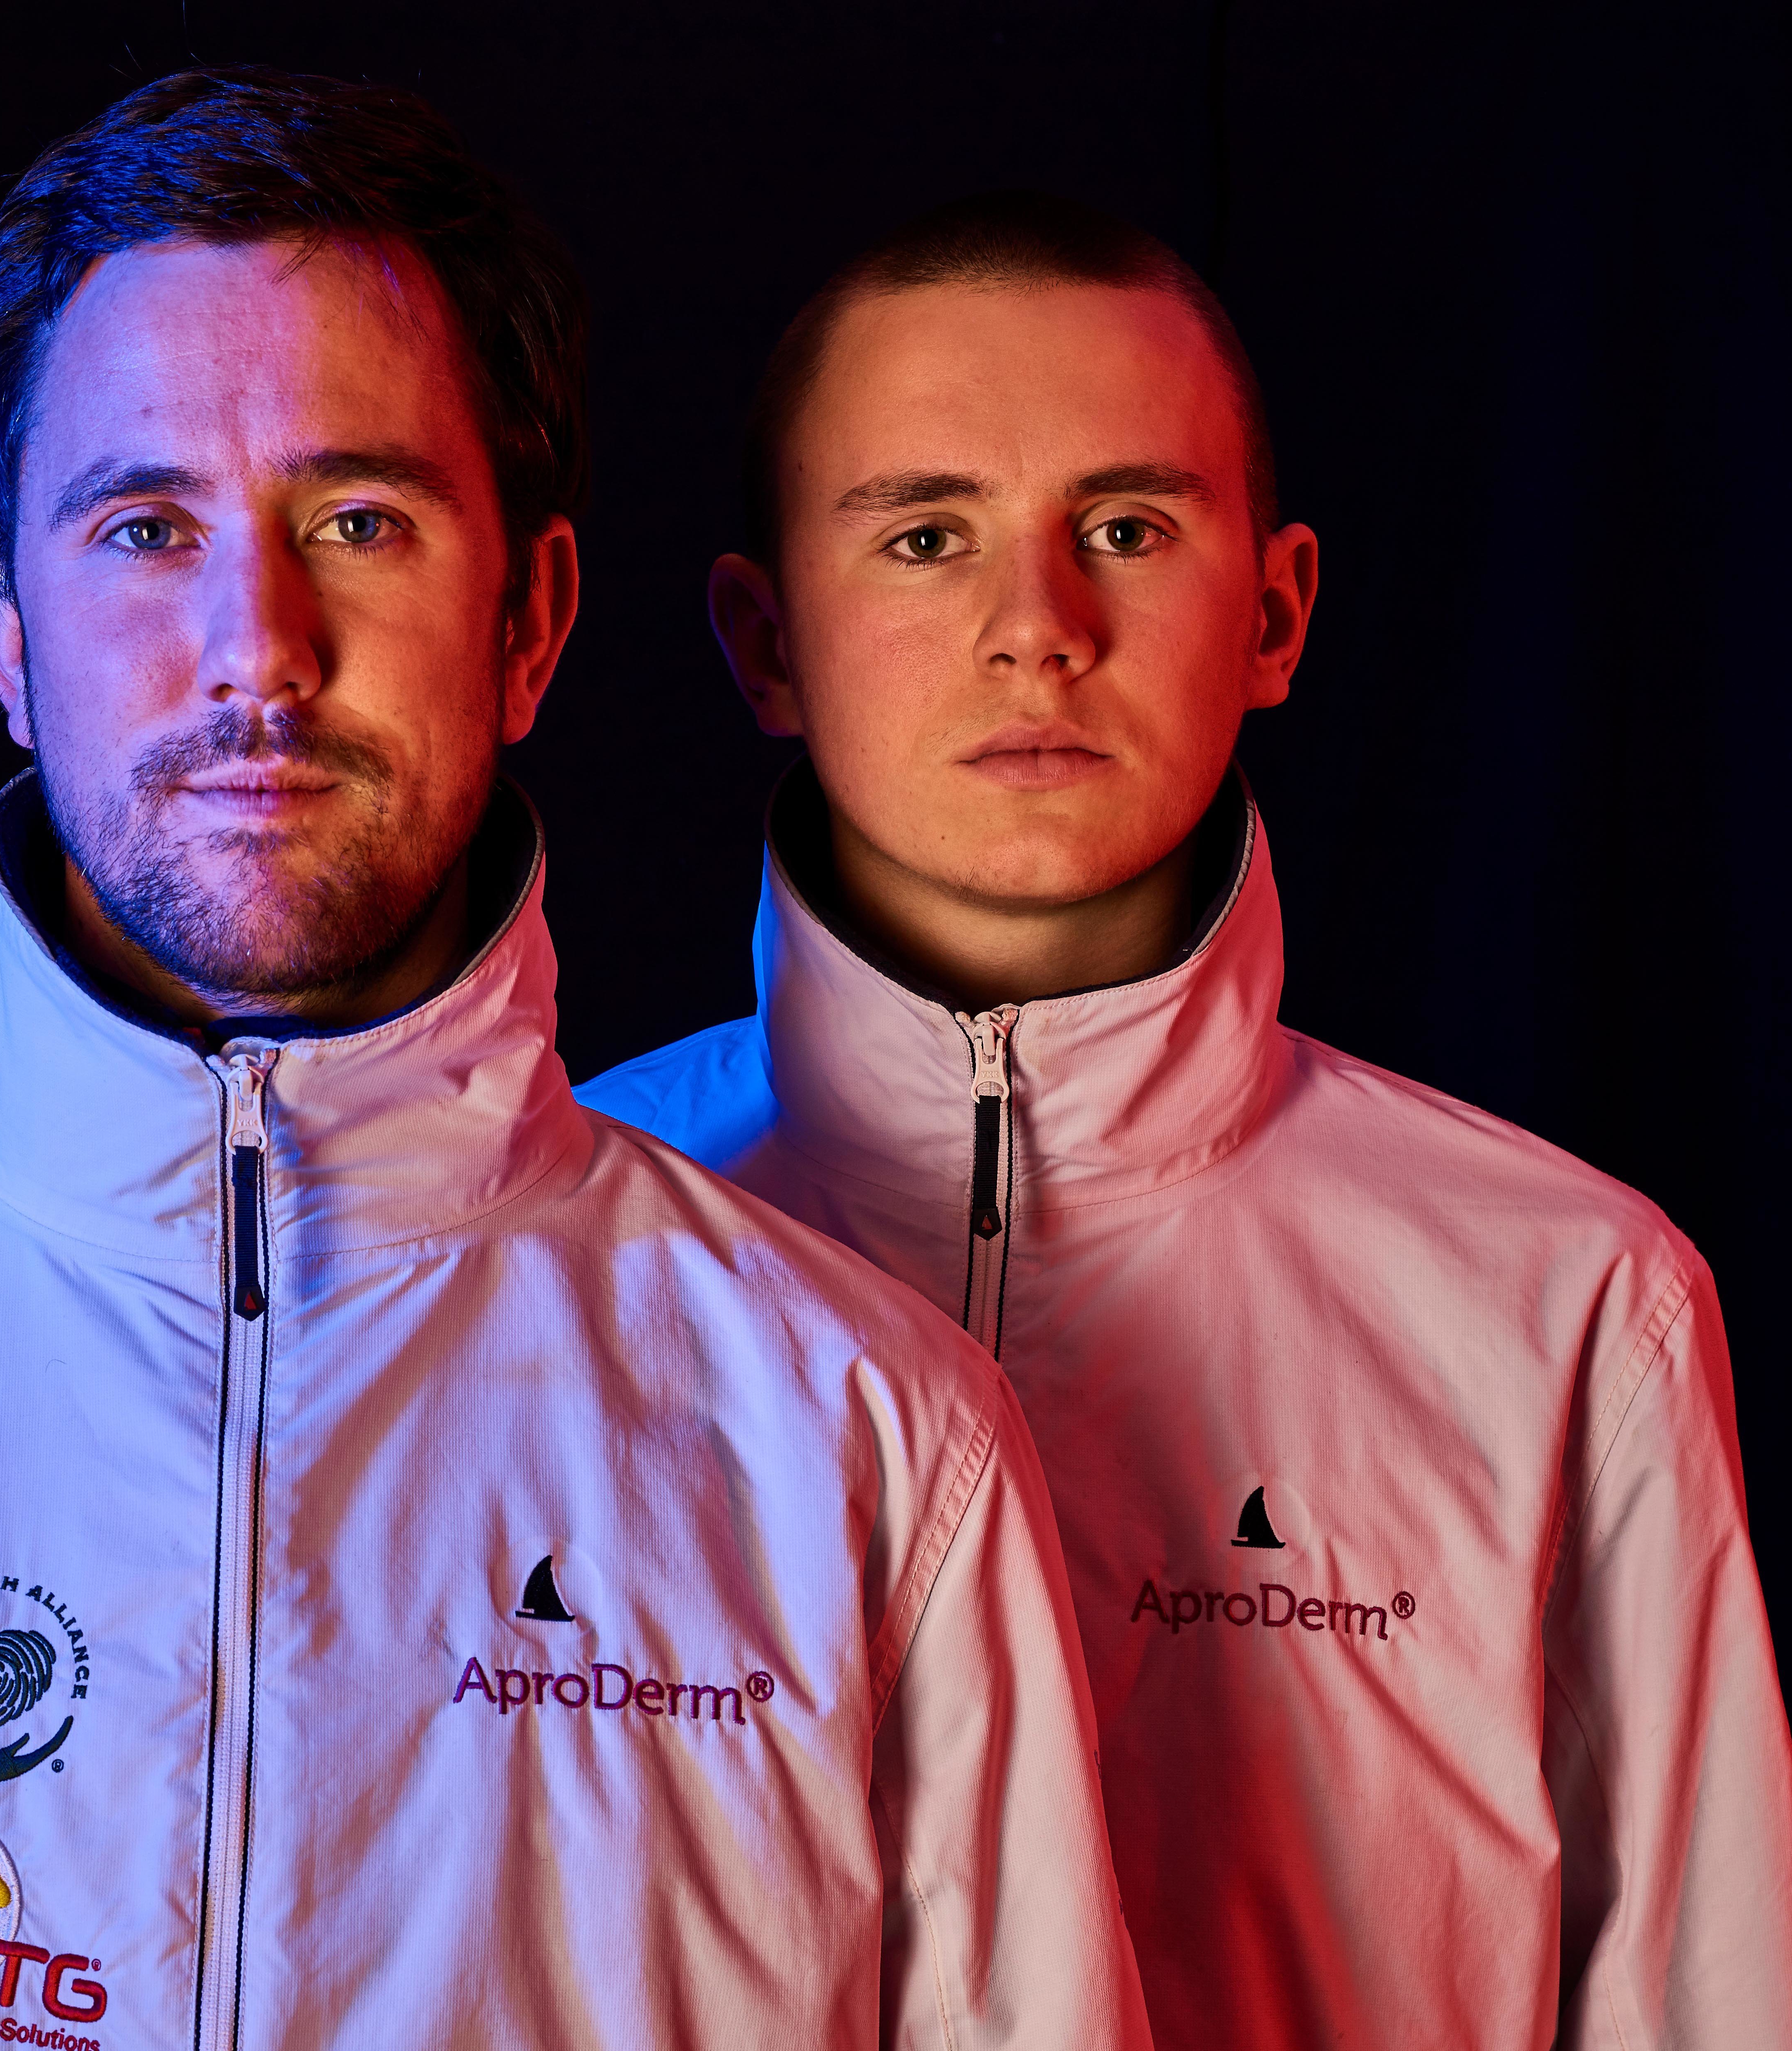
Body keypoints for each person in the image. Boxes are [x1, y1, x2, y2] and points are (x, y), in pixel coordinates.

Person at [0, 84, 1150, 2051]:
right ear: (1, 623)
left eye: (357, 520)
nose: (258, 646)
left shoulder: (868, 1446)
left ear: (528, 621)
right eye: (147, 527)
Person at [578, 191, 1792, 2049]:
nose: (1036, 629)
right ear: (763, 641)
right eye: (923, 537)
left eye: (1126, 528)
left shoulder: (1573, 1308)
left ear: (1277, 610)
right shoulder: (529, 1269)